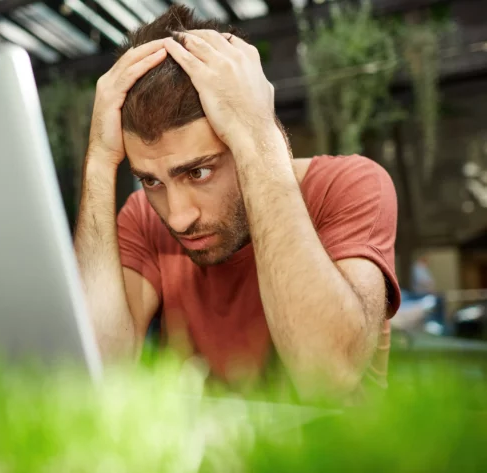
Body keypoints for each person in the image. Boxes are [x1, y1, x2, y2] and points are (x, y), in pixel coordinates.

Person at [73, 6, 400, 402]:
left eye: (198, 172)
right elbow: (98, 372)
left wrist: (258, 135)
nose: (178, 218)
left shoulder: (348, 186)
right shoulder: (143, 218)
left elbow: (326, 376)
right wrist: (98, 163)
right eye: (151, 180)